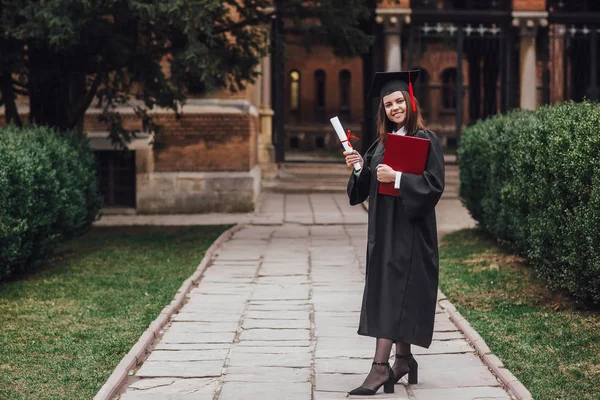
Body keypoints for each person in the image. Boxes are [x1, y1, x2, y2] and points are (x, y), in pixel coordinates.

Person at [343, 70, 445, 396]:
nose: (395, 108)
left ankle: (379, 368)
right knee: (390, 293)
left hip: (411, 236)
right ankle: (403, 360)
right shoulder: (380, 144)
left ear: (411, 102)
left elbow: (434, 186)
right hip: (385, 235)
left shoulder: (425, 139)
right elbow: (360, 192)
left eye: (399, 101)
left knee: (390, 295)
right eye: (388, 104)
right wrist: (360, 167)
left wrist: (397, 178)